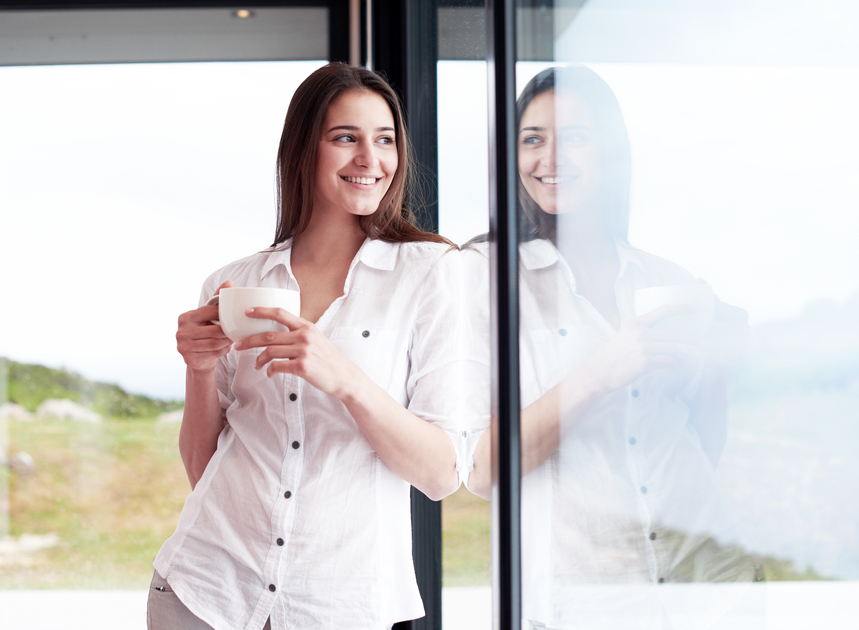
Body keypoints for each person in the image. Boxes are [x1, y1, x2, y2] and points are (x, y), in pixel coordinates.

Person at [148, 63, 464, 630]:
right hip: (205, 591)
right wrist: (199, 369)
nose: (370, 159)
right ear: (302, 149)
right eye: (345, 138)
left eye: (384, 140)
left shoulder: (430, 272)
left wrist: (346, 379)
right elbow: (203, 469)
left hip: (340, 605)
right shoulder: (235, 282)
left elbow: (441, 474)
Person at [464, 65, 761, 629]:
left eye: (575, 137)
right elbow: (482, 470)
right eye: (533, 139)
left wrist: (719, 359)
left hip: (712, 581)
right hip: (583, 597)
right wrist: (604, 370)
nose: (551, 158)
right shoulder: (483, 275)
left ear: (611, 151)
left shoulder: (664, 278)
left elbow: (699, 441)